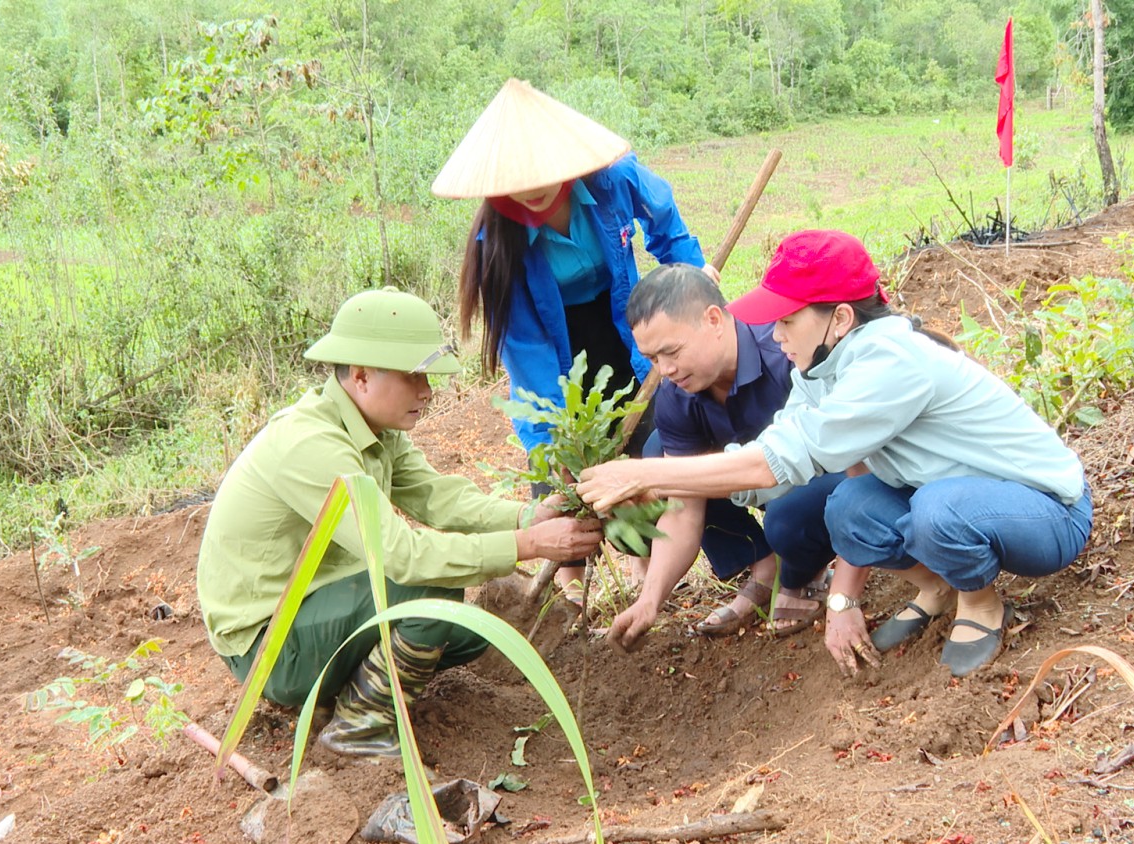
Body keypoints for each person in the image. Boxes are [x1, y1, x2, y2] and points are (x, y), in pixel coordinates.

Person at [578, 230, 1093, 678]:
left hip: (1046, 512)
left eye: (787, 322)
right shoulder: (818, 369)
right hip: (954, 496)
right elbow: (768, 461)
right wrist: (664, 486)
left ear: (840, 318)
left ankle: (980, 601)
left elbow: (779, 460)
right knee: (850, 508)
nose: (776, 336)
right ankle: (938, 589)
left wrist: (646, 473)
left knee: (938, 512)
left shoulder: (888, 361)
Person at [197, 288, 603, 759]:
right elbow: (404, 557)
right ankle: (359, 727)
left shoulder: (372, 428)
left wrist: (528, 514)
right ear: (362, 376)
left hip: (312, 608)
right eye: (413, 377)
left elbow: (437, 497)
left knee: (470, 632)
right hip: (269, 647)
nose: (427, 391)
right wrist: (529, 544)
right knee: (432, 593)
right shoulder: (311, 445)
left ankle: (347, 691)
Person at [433, 78, 715, 603]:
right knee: (566, 451)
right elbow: (529, 358)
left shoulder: (613, 180)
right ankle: (570, 585)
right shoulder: (497, 245)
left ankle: (639, 565)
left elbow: (666, 227)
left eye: (543, 173)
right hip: (553, 337)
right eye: (518, 179)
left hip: (620, 319)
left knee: (643, 431)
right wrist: (553, 440)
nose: (533, 189)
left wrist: (693, 276)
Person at [607, 263, 848, 650]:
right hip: (758, 480)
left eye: (672, 352)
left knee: (787, 520)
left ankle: (804, 571)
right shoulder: (676, 395)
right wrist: (650, 601)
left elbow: (848, 452)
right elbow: (683, 505)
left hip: (829, 472)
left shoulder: (784, 352)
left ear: (714, 320)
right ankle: (764, 564)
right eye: (652, 359)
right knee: (663, 455)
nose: (665, 370)